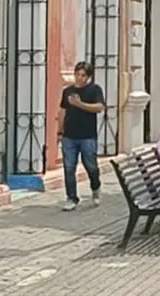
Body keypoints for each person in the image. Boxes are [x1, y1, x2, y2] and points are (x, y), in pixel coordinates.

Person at [58, 61, 105, 211]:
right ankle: (71, 197)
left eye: (83, 75)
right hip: (69, 136)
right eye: (77, 74)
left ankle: (95, 187)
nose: (79, 78)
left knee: (91, 166)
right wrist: (60, 131)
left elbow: (99, 108)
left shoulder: (94, 90)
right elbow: (62, 111)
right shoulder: (67, 91)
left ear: (88, 77)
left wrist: (80, 104)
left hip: (87, 136)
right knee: (69, 167)